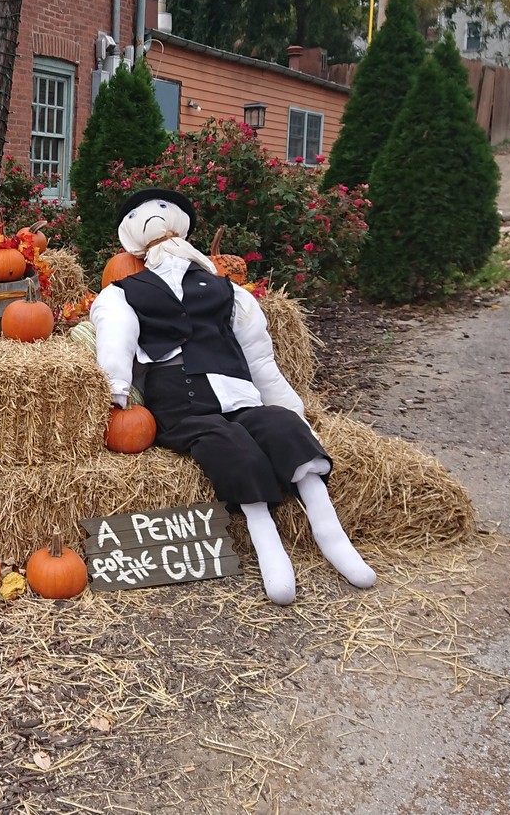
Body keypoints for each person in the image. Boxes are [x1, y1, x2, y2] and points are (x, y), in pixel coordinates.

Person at [89, 188, 376, 604]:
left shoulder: (228, 289)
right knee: (227, 444)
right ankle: (268, 546)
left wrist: (291, 407)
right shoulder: (122, 292)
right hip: (181, 403)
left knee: (282, 426)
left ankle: (333, 536)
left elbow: (259, 355)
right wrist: (116, 386)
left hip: (238, 392)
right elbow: (116, 335)